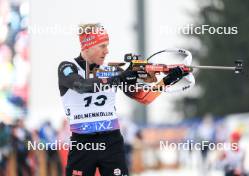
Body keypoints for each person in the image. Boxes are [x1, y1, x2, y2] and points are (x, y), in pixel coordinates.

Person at [58, 23, 187, 176]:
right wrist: (120, 77)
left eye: (107, 46)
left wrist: (167, 80)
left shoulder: (112, 71)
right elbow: (81, 86)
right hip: (83, 143)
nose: (107, 51)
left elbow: (144, 97)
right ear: (87, 46)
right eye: (102, 46)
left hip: (111, 141)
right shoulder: (67, 67)